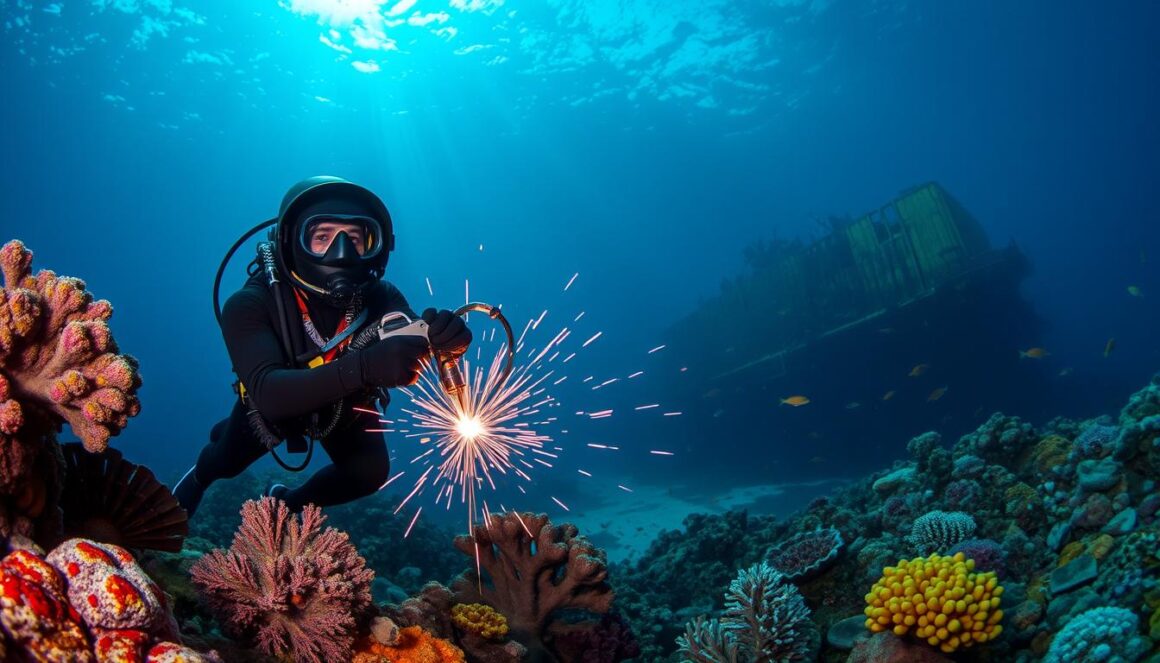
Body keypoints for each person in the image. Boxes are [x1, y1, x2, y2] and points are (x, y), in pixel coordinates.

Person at [173, 176, 470, 517]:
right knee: (225, 462)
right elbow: (269, 393)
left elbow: (410, 333)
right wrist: (367, 366)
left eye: (356, 239)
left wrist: (444, 340)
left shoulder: (381, 296)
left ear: (378, 247)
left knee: (370, 473)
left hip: (343, 410)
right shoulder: (249, 304)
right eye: (323, 237)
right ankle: (198, 476)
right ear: (290, 241)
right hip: (270, 413)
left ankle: (289, 501)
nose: (341, 252)